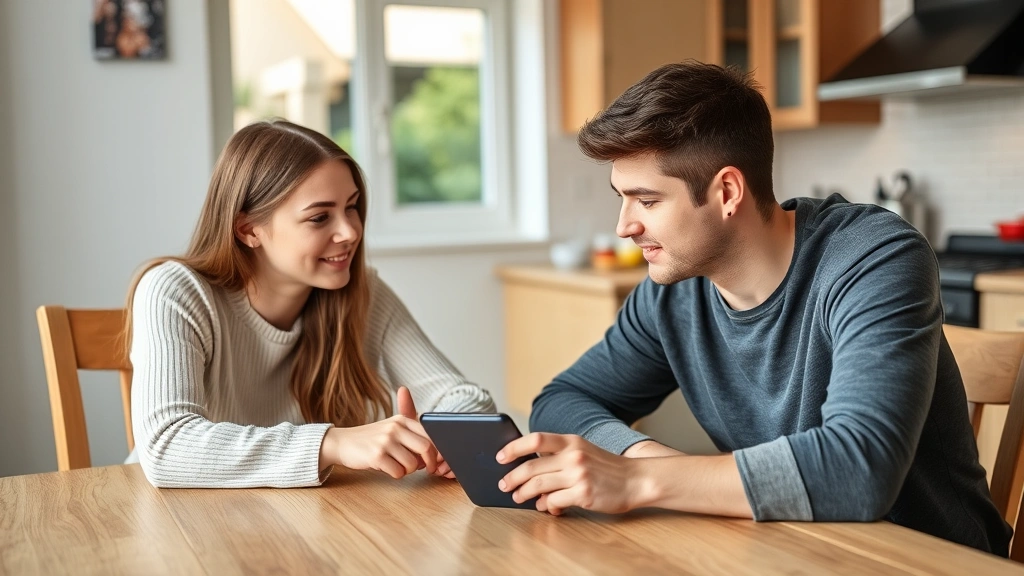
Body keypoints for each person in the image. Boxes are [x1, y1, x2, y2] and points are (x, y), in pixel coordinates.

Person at [496, 61, 1012, 556]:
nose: (625, 226)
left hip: (924, 560)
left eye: (647, 201)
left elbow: (859, 469)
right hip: (784, 549)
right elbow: (563, 399)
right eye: (622, 199)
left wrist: (638, 480)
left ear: (726, 192)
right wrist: (642, 458)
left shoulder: (871, 256)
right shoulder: (673, 292)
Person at [125, 119, 494, 488]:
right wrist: (333, 442)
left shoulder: (363, 292)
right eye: (319, 217)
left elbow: (465, 399)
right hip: (175, 522)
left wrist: (443, 438)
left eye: (351, 207)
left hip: (300, 520)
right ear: (248, 229)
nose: (350, 232)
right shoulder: (174, 291)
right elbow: (166, 445)